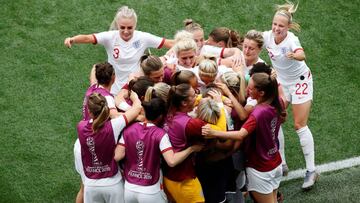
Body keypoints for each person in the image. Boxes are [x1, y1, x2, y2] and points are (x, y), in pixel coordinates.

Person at [203, 72, 286, 203]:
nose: (247, 89)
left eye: (251, 88)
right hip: (275, 162)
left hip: (261, 167)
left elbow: (241, 134)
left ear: (262, 93)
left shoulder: (258, 113)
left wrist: (213, 133)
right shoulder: (277, 102)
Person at [263, 1, 319, 189]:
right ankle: (282, 162)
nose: (276, 28)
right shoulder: (267, 37)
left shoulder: (292, 40)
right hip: (282, 83)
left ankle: (311, 171)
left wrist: (296, 55)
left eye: (281, 26)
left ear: (288, 27)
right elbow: (252, 40)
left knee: (299, 125)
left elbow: (302, 54)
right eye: (274, 24)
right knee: (275, 116)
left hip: (300, 81)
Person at [64, 6, 173, 95]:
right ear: (118, 25)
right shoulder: (110, 37)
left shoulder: (143, 38)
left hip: (135, 88)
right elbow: (88, 38)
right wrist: (73, 39)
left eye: (130, 28)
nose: (126, 31)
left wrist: (187, 42)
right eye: (122, 27)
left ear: (135, 26)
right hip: (113, 89)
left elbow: (169, 43)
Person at [114, 98, 203, 203]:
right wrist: (191, 149)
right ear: (161, 116)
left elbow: (117, 156)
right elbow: (172, 161)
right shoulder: (160, 134)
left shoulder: (129, 130)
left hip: (129, 189)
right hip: (151, 190)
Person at [75, 92, 142, 203]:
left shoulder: (81, 126)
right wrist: (134, 95)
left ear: (89, 112)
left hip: (91, 186)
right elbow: (136, 108)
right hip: (113, 184)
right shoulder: (114, 126)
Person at [162, 83, 205, 203]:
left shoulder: (165, 114)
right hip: (184, 180)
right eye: (194, 95)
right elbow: (217, 132)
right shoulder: (192, 124)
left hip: (167, 177)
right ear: (184, 103)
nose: (197, 96)